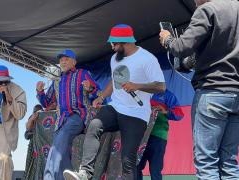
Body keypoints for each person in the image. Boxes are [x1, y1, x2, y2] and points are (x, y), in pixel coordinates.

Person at [63, 24, 165, 180]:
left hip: (136, 114)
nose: (112, 47)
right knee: (94, 126)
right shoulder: (114, 59)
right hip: (115, 107)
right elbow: (114, 79)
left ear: (125, 42)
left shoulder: (147, 59)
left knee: (128, 160)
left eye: (114, 44)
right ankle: (85, 173)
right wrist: (101, 97)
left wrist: (137, 86)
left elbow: (161, 86)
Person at [159, 0, 239, 179]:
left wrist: (167, 39)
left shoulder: (207, 10)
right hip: (236, 93)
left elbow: (181, 47)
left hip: (212, 92)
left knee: (206, 161)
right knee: (229, 162)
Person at [36, 49, 102, 180]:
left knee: (59, 143)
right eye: (61, 60)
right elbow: (47, 103)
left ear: (74, 62)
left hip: (78, 116)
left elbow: (98, 93)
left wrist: (90, 88)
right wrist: (40, 92)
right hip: (61, 121)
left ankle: (48, 177)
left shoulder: (82, 74)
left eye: (66, 59)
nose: (63, 62)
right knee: (61, 150)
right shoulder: (56, 82)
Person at [137, 89, 184, 180]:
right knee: (136, 167)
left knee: (155, 170)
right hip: (140, 136)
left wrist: (165, 111)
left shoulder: (168, 95)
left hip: (158, 136)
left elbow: (179, 114)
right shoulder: (139, 91)